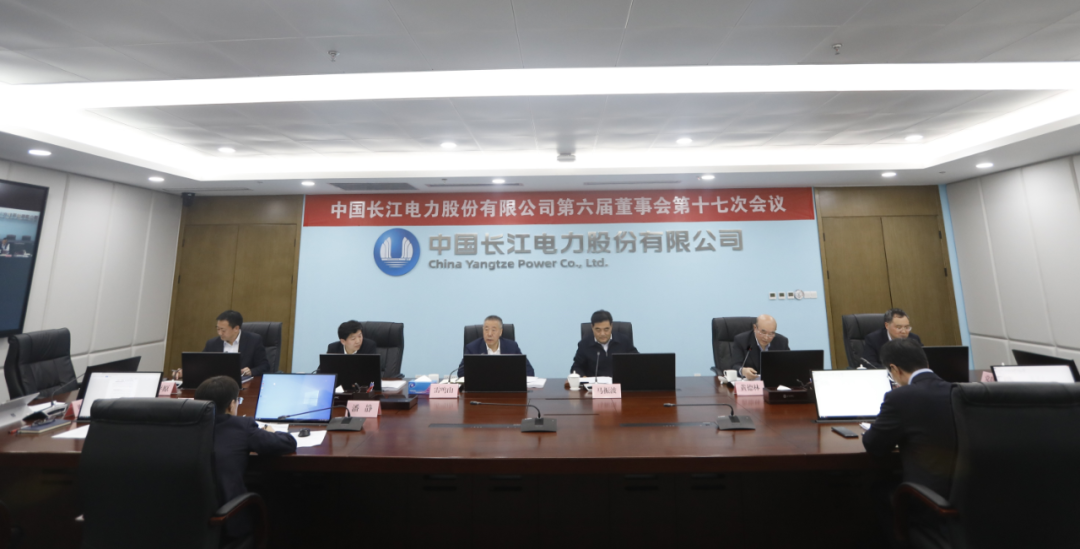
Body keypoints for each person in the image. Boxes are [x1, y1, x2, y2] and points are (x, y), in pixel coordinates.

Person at [862, 338, 956, 548]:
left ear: (894, 369)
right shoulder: (958, 391)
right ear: (926, 363)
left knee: (879, 489)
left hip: (927, 499)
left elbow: (874, 446)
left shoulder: (900, 397)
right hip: (965, 495)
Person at [194, 376, 296, 539]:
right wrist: (272, 432)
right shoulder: (241, 426)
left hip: (180, 523)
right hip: (225, 523)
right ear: (231, 405)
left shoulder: (184, 427)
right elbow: (288, 444)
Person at [193, 310, 271, 378]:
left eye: (223, 330)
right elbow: (201, 365)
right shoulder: (212, 343)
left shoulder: (254, 341)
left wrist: (251, 371)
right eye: (218, 329)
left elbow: (264, 366)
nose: (220, 333)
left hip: (243, 384)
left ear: (236, 328)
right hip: (217, 383)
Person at [458, 315, 534, 376]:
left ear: (500, 332)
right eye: (486, 329)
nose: (489, 334)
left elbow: (529, 371)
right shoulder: (472, 348)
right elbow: (461, 373)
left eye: (493, 330)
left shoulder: (512, 347)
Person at [570, 310, 638, 377]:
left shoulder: (624, 341)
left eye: (606, 329)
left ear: (611, 326)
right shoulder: (584, 344)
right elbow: (576, 368)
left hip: (619, 382)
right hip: (594, 383)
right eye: (598, 330)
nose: (602, 334)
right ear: (592, 327)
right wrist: (585, 379)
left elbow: (637, 362)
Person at [731, 314, 789, 380]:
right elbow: (735, 366)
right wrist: (743, 371)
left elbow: (788, 365)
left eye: (771, 334)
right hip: (751, 383)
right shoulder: (741, 340)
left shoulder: (782, 342)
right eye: (763, 332)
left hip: (774, 382)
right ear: (755, 328)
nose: (766, 337)